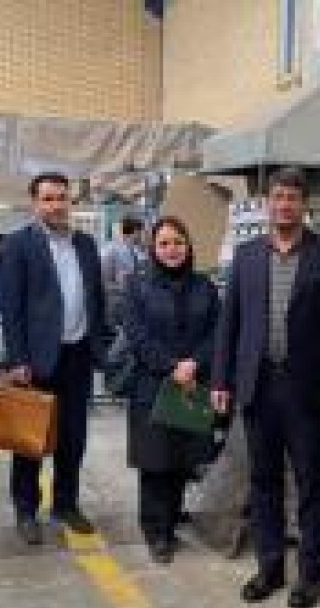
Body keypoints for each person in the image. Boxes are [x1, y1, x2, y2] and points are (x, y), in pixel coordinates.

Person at [211, 167, 320, 608]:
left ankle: (310, 575)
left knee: (311, 483)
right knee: (263, 481)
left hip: (306, 389)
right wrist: (221, 379)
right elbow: (229, 324)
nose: (285, 205)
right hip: (257, 386)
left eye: (293, 198)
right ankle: (269, 567)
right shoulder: (247, 256)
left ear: (304, 204)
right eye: (278, 197)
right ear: (267, 204)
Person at [0, 172, 106, 544]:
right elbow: (11, 308)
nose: (56, 205)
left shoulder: (86, 244)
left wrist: (99, 347)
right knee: (30, 439)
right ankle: (26, 510)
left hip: (78, 354)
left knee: (73, 438)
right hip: (37, 359)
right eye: (48, 199)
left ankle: (65, 504)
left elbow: (96, 298)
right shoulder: (18, 245)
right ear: (35, 203)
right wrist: (18, 359)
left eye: (62, 198)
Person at [119, 216, 220, 564]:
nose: (172, 249)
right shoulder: (137, 285)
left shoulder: (205, 287)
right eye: (164, 243)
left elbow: (217, 331)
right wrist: (171, 366)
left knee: (182, 459)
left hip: (192, 383)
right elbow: (136, 335)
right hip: (153, 385)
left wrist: (195, 363)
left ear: (188, 247)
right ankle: (156, 532)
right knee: (155, 461)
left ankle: (172, 519)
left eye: (178, 242)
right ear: (153, 248)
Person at [100, 215, 148, 326]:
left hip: (133, 305)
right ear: (134, 232)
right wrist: (123, 286)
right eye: (140, 232)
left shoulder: (137, 251)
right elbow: (103, 282)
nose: (142, 235)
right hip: (116, 305)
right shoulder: (110, 251)